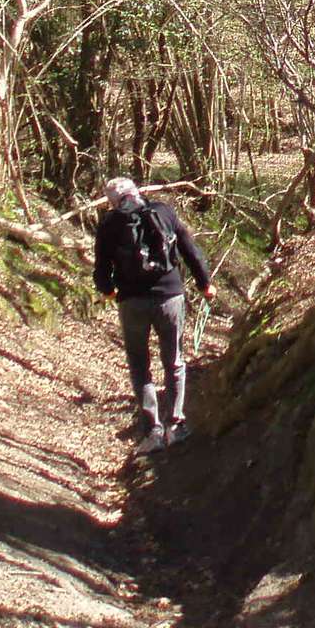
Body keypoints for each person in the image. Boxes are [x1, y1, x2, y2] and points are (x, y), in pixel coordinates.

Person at [93, 176, 214, 454]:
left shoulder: (109, 224)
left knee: (139, 365)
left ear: (113, 201)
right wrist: (205, 283)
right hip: (170, 296)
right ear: (137, 192)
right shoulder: (164, 211)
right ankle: (176, 425)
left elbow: (101, 270)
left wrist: (109, 291)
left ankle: (153, 432)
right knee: (174, 361)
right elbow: (189, 249)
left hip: (132, 302)